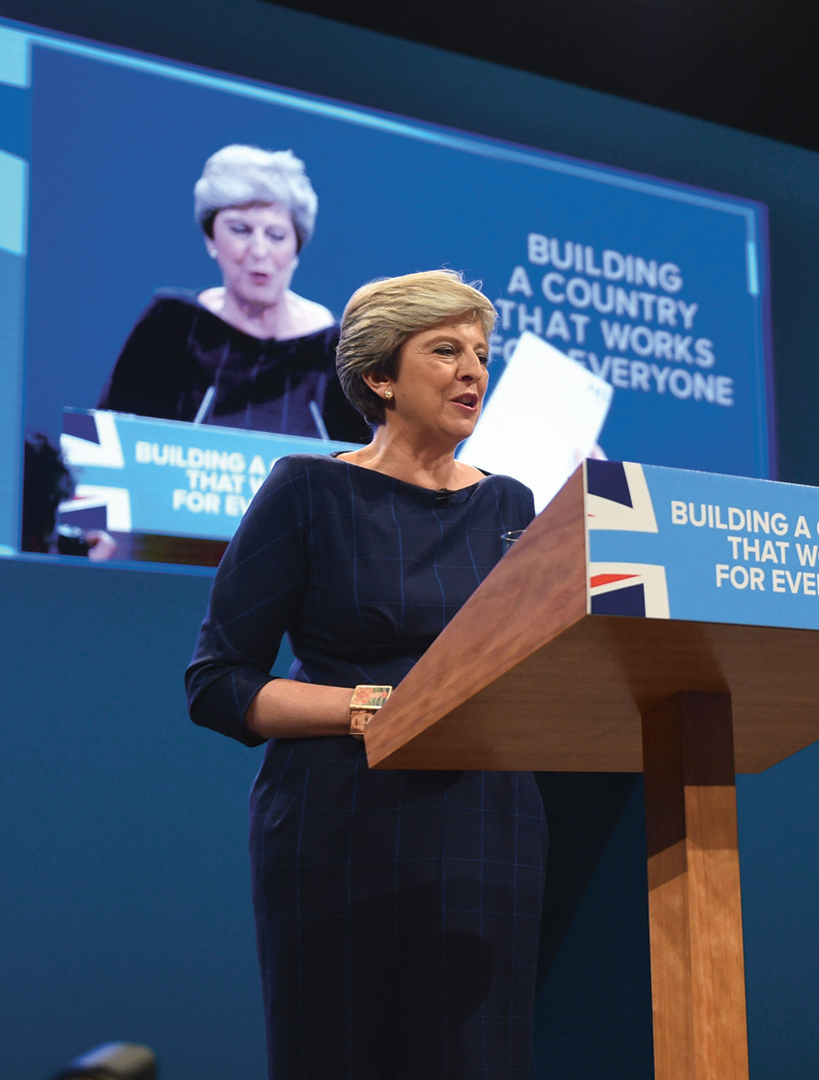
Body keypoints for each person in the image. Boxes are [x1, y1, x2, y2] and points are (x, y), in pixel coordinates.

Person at [186, 270, 542, 1078]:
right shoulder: (308, 491)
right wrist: (369, 708)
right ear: (379, 376)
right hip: (339, 821)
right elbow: (218, 683)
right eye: (445, 350)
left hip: (487, 825)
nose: (472, 371)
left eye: (482, 355)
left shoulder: (514, 509)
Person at [98, 144, 368, 443]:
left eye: (276, 235)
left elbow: (369, 474)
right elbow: (106, 444)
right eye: (240, 230)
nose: (259, 251)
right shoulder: (171, 324)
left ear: (296, 247)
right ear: (210, 238)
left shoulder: (337, 347)